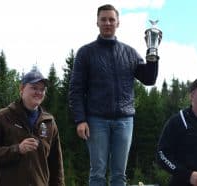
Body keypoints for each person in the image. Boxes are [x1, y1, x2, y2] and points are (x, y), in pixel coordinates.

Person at [68, 4, 159, 186]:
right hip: (96, 120)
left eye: (111, 19)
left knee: (119, 175)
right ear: (97, 22)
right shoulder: (85, 53)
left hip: (125, 120)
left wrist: (153, 52)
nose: (107, 23)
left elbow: (149, 79)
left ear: (118, 23)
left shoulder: (130, 53)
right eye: (104, 19)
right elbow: (76, 89)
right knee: (97, 173)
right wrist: (80, 119)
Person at [0, 68, 65, 186]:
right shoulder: (2, 117)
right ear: (22, 89)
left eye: (42, 89)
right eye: (34, 88)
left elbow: (56, 165)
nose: (39, 92)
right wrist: (17, 149)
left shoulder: (49, 122)